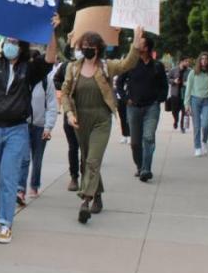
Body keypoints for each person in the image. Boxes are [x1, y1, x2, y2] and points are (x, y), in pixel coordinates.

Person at [0, 10, 58, 243]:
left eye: (14, 42)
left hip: (17, 130)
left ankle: (5, 222)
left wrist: (52, 30)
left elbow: (50, 59)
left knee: (8, 177)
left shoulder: (30, 68)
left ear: (22, 46)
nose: (10, 45)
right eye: (7, 41)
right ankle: (4, 208)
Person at [62, 27, 142, 224]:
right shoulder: (73, 68)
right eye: (84, 46)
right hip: (80, 120)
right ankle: (97, 196)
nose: (87, 49)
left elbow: (127, 64)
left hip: (101, 119)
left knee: (93, 160)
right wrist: (69, 113)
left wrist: (136, 45)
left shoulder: (107, 66)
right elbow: (64, 93)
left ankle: (85, 202)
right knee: (86, 160)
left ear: (99, 48)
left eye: (91, 46)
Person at [118, 36, 168, 182]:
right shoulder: (131, 64)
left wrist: (160, 99)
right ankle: (140, 167)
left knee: (149, 137)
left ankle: (146, 169)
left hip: (151, 108)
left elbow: (164, 86)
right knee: (135, 143)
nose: (136, 44)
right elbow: (119, 84)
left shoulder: (157, 66)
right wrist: (126, 98)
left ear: (146, 48)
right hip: (133, 108)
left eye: (140, 43)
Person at [19, 57, 59, 199]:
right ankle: (20, 189)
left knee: (37, 157)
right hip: (23, 125)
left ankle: (34, 186)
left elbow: (52, 105)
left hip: (40, 126)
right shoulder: (22, 80)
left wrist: (48, 127)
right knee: (23, 158)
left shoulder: (46, 81)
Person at [53, 47, 83, 191]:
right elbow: (56, 80)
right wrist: (67, 87)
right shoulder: (66, 66)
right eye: (78, 48)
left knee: (87, 149)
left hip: (88, 113)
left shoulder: (95, 66)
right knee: (73, 147)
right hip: (70, 112)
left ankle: (87, 176)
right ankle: (74, 177)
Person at [184, 52, 208, 156]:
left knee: (205, 124)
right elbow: (188, 89)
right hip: (195, 100)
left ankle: (204, 141)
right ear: (199, 61)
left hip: (207, 101)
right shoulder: (193, 72)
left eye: (206, 59)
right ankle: (197, 147)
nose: (204, 61)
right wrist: (186, 103)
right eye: (202, 59)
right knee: (196, 126)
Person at [166, 58, 189, 132]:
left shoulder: (190, 71)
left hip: (185, 95)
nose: (187, 63)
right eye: (186, 61)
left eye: (188, 61)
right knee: (174, 111)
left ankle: (182, 127)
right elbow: (167, 79)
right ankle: (176, 120)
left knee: (184, 111)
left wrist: (187, 83)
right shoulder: (173, 70)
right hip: (175, 94)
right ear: (181, 62)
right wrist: (174, 81)